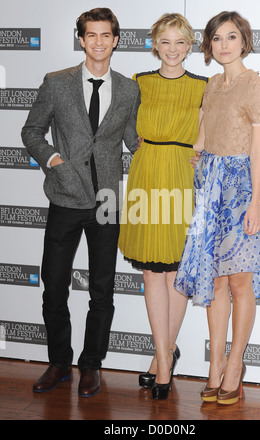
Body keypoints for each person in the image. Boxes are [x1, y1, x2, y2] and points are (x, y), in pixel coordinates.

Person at [21, 7, 140, 398]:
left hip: (107, 198)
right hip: (65, 197)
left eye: (106, 35)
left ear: (116, 39)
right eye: (92, 35)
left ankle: (91, 364)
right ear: (81, 39)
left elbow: (135, 141)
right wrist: (53, 160)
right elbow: (32, 130)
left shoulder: (128, 88)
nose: (99, 42)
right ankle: (59, 362)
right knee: (54, 285)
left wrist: (174, 150)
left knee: (102, 289)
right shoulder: (56, 82)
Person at [174, 11, 260, 405]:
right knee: (216, 281)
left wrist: (254, 203)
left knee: (240, 282)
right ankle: (215, 365)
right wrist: (197, 153)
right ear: (209, 45)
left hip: (240, 189)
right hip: (211, 188)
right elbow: (203, 135)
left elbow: (258, 150)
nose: (223, 45)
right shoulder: (213, 86)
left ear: (244, 41)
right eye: (216, 38)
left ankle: (236, 365)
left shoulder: (258, 87)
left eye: (231, 37)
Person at [118, 13, 208, 400]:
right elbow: (119, 127)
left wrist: (202, 153)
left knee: (177, 271)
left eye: (181, 42)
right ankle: (164, 354)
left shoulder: (205, 86)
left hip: (183, 177)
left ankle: (162, 360)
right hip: (146, 173)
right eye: (165, 42)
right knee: (152, 272)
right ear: (154, 44)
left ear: (190, 46)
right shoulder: (138, 83)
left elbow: (211, 133)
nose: (173, 50)